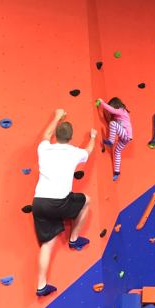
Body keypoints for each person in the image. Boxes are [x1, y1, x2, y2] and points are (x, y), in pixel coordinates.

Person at [32, 109, 97, 297]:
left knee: (48, 243)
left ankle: (41, 285)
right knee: (87, 201)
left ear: (56, 137)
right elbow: (89, 150)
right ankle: (74, 239)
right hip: (60, 203)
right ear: (71, 138)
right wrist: (92, 136)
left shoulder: (44, 148)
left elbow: (45, 135)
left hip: (39, 203)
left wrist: (57, 116)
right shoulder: (74, 152)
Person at [97, 97, 132, 181]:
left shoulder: (121, 110)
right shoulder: (118, 115)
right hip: (125, 138)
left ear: (115, 105)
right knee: (117, 152)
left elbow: (112, 110)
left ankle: (111, 141)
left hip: (126, 135)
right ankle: (117, 172)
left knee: (112, 123)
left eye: (111, 106)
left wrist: (102, 103)